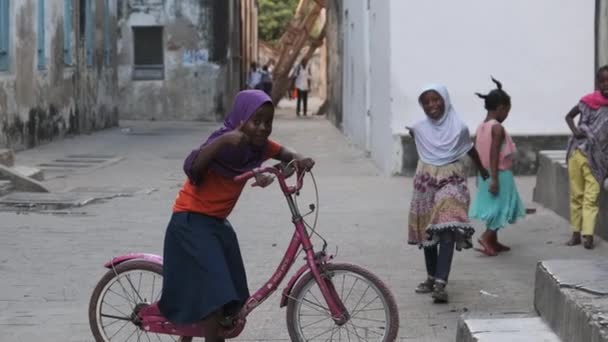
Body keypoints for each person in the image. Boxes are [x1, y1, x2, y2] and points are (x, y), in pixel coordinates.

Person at [158, 90, 314, 342]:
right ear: (241, 118)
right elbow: (192, 168)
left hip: (215, 222)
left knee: (232, 286)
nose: (263, 128)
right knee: (216, 292)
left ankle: (199, 330)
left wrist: (300, 158)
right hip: (190, 221)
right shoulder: (223, 142)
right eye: (256, 120)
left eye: (268, 122)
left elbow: (285, 152)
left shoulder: (257, 146)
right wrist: (224, 142)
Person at [407, 84, 489, 304]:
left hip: (452, 180)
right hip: (426, 180)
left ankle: (441, 284)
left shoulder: (459, 128)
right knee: (429, 230)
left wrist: (482, 170)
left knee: (447, 228)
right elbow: (415, 133)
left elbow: (469, 149)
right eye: (426, 102)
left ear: (445, 100)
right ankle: (431, 277)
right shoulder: (419, 129)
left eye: (436, 100)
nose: (432, 105)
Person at [469, 78, 526, 256]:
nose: (507, 114)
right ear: (501, 107)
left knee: (495, 207)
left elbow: (476, 152)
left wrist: (480, 174)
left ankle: (494, 240)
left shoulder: (481, 127)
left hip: (486, 173)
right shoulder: (497, 128)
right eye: (507, 110)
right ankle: (486, 237)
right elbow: (494, 154)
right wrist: (494, 178)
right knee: (503, 207)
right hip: (499, 173)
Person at [564, 65, 608, 250]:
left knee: (592, 196)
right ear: (597, 82)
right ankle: (575, 233)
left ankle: (587, 235)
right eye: (602, 81)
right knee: (577, 195)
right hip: (578, 152)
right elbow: (569, 116)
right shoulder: (588, 101)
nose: (606, 84)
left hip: (599, 158)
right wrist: (576, 132)